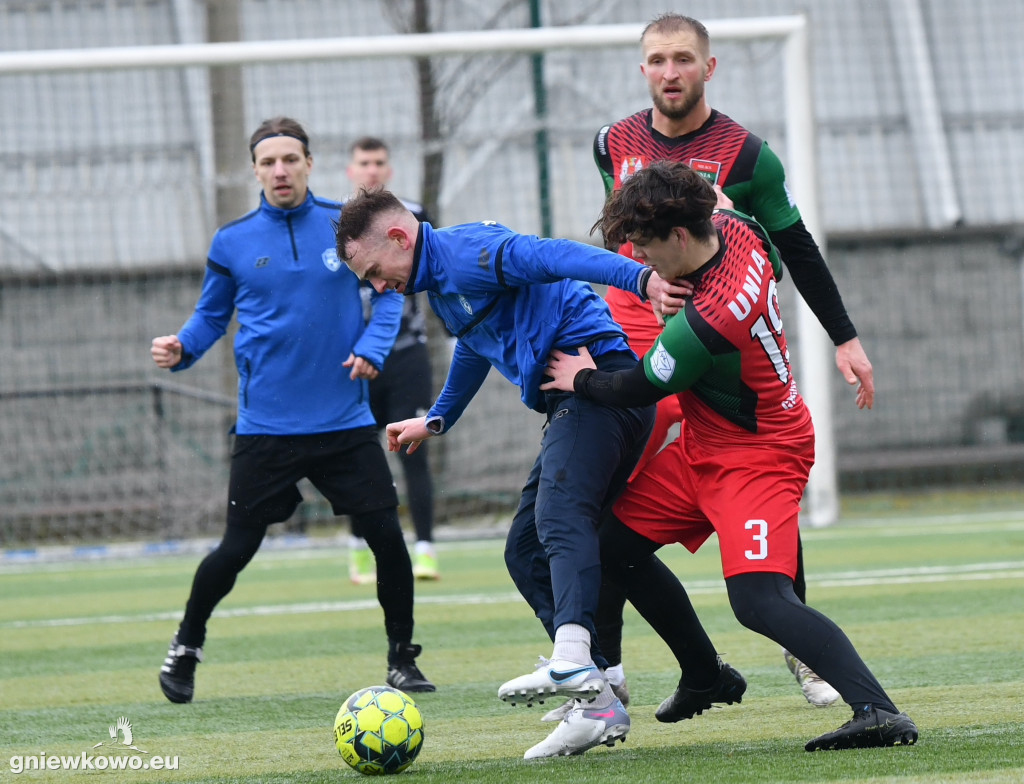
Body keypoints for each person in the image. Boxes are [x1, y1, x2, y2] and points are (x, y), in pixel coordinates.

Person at [542, 160, 917, 751]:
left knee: (759, 600)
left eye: (645, 247)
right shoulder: (734, 224)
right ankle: (703, 674)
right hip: (704, 442)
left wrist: (583, 378)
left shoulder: (710, 319)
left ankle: (878, 712)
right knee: (612, 547)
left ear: (681, 237)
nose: (640, 262)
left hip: (760, 451)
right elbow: (712, 194)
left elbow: (640, 385)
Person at [589, 12, 875, 712]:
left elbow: (792, 247)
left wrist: (844, 335)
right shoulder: (611, 143)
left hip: (711, 350)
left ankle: (802, 648)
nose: (670, 72)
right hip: (639, 324)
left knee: (751, 489)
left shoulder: (748, 159)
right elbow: (620, 232)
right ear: (642, 69)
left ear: (708, 68)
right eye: (657, 59)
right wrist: (643, 292)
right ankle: (617, 669)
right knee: (606, 512)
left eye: (684, 59)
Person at [335, 187, 675, 759]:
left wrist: (640, 281)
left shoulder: (471, 252)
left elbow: (556, 255)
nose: (377, 286)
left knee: (560, 517)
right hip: (578, 399)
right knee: (526, 550)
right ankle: (604, 691)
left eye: (373, 271)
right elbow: (475, 347)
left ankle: (576, 663)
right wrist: (437, 419)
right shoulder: (441, 287)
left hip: (600, 385)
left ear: (400, 237)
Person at [150, 117, 435, 704]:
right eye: (268, 162)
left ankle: (402, 658)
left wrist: (372, 348)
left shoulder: (345, 225)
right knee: (235, 548)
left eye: (290, 159)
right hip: (267, 428)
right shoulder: (232, 241)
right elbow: (210, 318)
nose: (280, 170)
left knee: (386, 538)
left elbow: (389, 297)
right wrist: (181, 348)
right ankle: (186, 646)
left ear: (309, 163)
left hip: (345, 423)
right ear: (255, 170)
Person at [344, 136, 440, 584]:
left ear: (390, 170)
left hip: (406, 356)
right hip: (357, 361)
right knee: (360, 455)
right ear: (351, 170)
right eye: (364, 162)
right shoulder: (340, 228)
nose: (372, 169)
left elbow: (437, 276)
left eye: (379, 162)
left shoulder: (415, 216)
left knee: (413, 452)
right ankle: (358, 548)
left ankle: (425, 549)